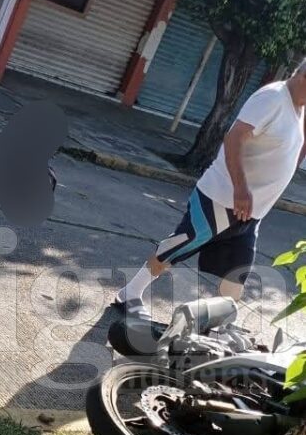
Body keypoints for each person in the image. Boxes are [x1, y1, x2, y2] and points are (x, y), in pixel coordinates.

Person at [115, 58, 306, 317]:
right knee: (180, 244)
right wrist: (241, 188)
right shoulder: (273, 98)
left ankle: (222, 322)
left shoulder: (298, 109)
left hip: (251, 211)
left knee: (238, 268)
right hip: (224, 199)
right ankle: (130, 292)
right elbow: (234, 137)